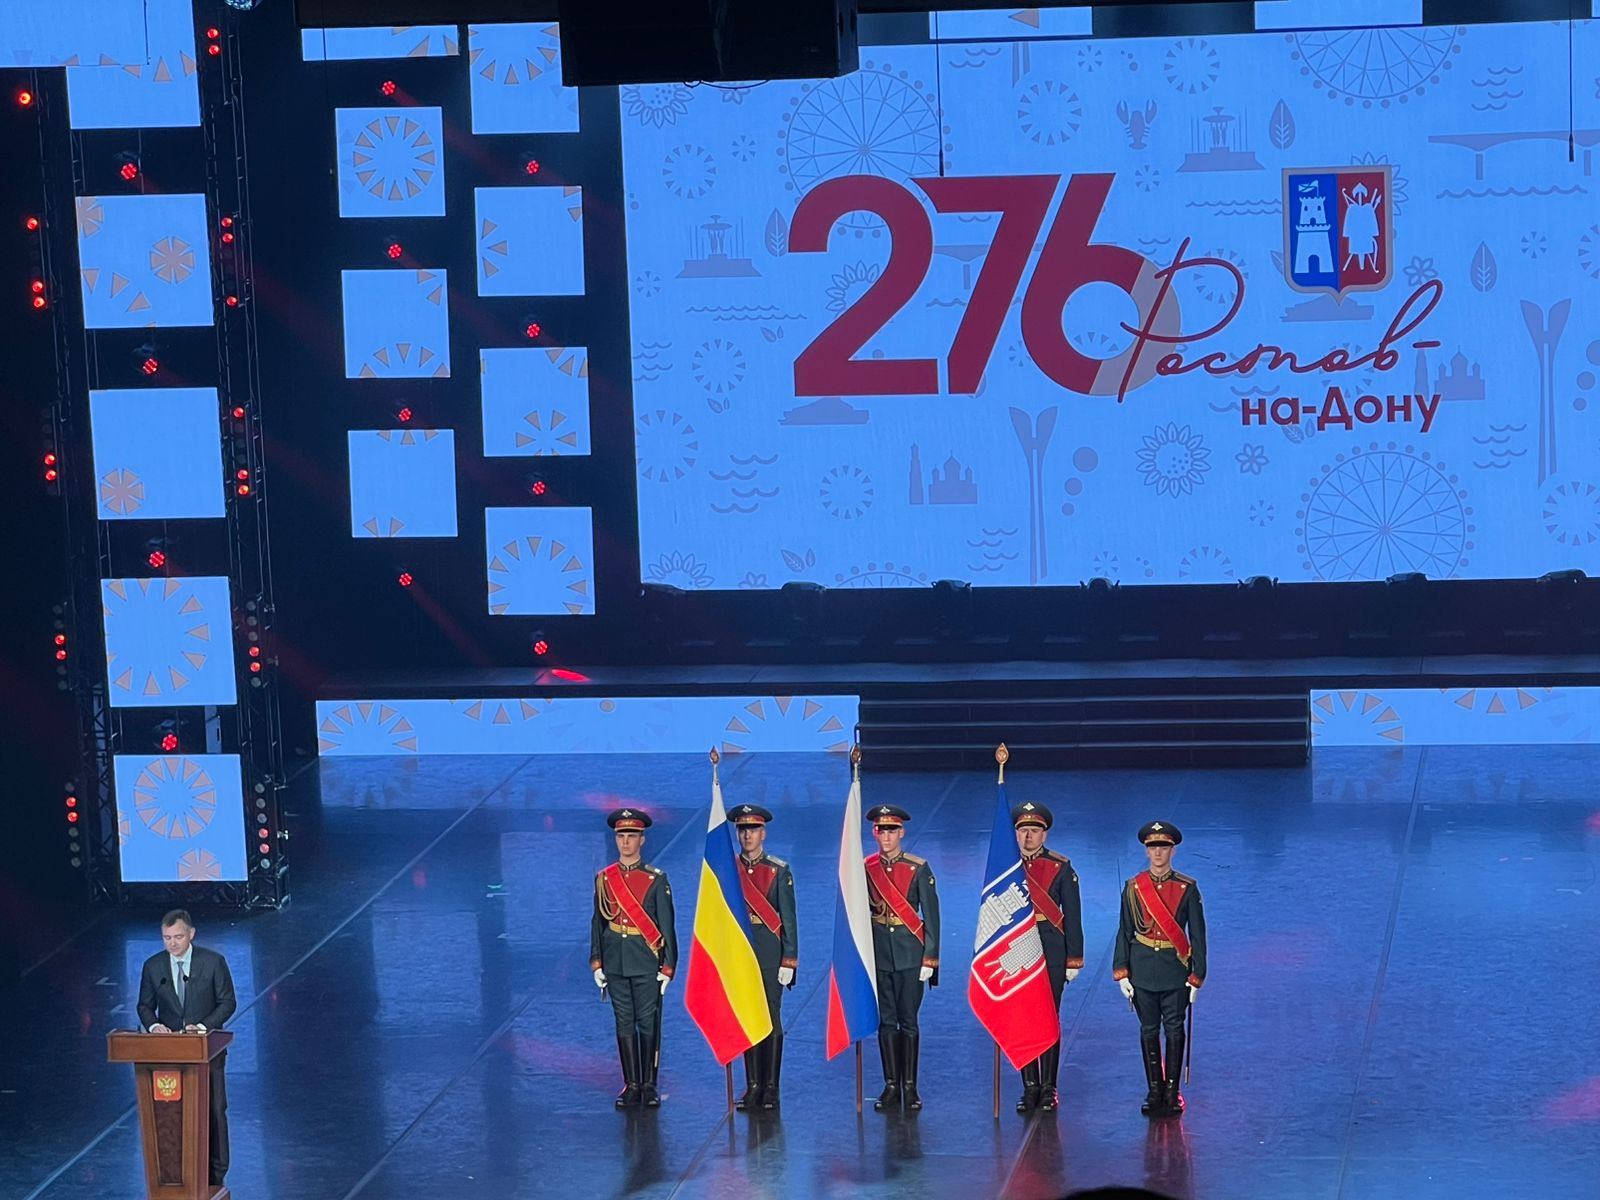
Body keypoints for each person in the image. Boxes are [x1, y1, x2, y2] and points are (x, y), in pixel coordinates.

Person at [136, 909, 237, 1188]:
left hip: (208, 1051)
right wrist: (154, 1026)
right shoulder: (153, 966)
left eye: (178, 937)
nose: (172, 943)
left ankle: (216, 1176)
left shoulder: (213, 962)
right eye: (167, 938)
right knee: (172, 1114)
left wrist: (203, 1026)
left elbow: (227, 1002)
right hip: (169, 1056)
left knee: (214, 1109)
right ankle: (175, 1177)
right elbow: (144, 1006)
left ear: (191, 934)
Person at [1112, 821, 1207, 1117]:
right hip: (1142, 970)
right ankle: (1154, 1089)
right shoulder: (1133, 889)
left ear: (1172, 851)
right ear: (1146, 850)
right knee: (1149, 1030)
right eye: (1152, 847)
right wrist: (1121, 971)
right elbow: (1125, 930)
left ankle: (1172, 1090)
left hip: (1175, 970)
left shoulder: (1187, 888)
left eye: (1163, 847)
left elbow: (1198, 936)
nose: (1157, 853)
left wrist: (1197, 975)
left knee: (1175, 1030)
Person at [590, 808, 678, 1108]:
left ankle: (649, 1084)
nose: (625, 842)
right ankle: (632, 1084)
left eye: (631, 836)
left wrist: (668, 965)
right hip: (615, 959)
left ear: (642, 840)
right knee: (624, 1021)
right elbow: (598, 923)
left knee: (648, 1021)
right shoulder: (605, 878)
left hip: (645, 959)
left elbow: (667, 926)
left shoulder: (656, 879)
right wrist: (597, 961)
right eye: (621, 836)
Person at [863, 803, 940, 1112]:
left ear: (901, 833)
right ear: (874, 833)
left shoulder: (917, 868)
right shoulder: (866, 868)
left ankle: (910, 1085)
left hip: (910, 955)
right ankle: (891, 1085)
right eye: (881, 830)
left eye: (891, 831)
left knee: (908, 1021)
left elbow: (932, 917)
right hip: (879, 954)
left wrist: (930, 957)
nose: (886, 836)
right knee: (886, 1022)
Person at [1012, 800, 1084, 1113]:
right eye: (1023, 830)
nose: (1028, 836)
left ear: (1045, 834)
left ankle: (1048, 1087)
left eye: (1034, 830)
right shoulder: (1006, 867)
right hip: (1015, 949)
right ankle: (1029, 1085)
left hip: (1051, 949)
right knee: (1022, 1019)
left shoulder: (1060, 868)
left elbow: (1073, 916)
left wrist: (1074, 957)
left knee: (1048, 1018)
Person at [728, 803, 797, 1111]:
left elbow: (789, 919)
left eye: (753, 830)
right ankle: (753, 1085)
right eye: (743, 830)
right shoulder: (728, 870)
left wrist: (789, 959)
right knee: (748, 1017)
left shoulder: (778, 871)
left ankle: (770, 1087)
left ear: (763, 834)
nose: (747, 836)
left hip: (769, 951)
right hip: (741, 951)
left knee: (770, 1017)